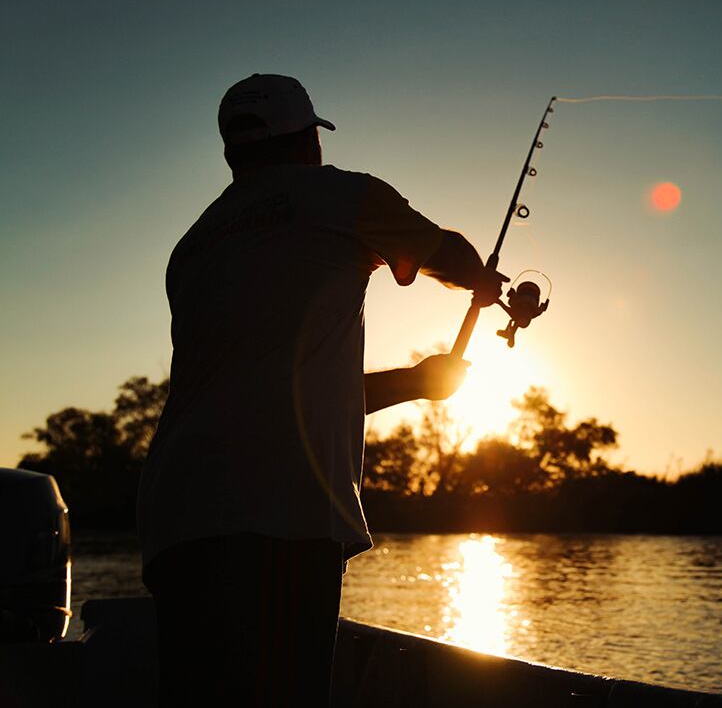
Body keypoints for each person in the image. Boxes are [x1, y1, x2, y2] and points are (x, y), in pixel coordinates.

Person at [136, 74, 504, 707]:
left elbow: (273, 395)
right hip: (281, 512)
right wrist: (483, 284)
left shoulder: (192, 247)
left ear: (234, 154)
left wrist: (415, 383)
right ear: (308, 140)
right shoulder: (342, 196)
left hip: (176, 517)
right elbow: (459, 260)